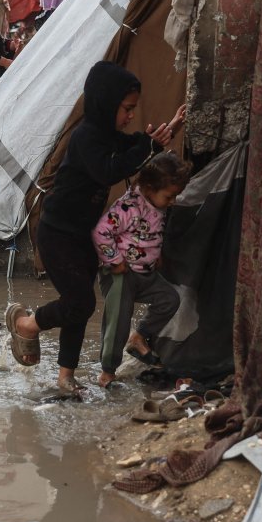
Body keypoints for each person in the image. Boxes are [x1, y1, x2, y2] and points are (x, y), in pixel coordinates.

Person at [5, 61, 185, 392]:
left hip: (83, 235)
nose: (131, 115)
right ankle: (27, 324)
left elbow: (130, 147)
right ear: (105, 102)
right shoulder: (86, 137)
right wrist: (147, 147)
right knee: (81, 302)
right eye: (127, 109)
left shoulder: (107, 135)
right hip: (58, 234)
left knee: (79, 305)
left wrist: (157, 139)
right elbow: (108, 170)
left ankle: (65, 377)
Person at [92, 151, 191, 388]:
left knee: (169, 299)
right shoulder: (128, 207)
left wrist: (155, 256)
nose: (173, 201)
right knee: (118, 322)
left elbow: (149, 234)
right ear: (148, 188)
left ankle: (139, 337)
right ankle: (107, 371)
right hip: (121, 273)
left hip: (145, 273)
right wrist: (115, 260)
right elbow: (101, 233)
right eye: (169, 196)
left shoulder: (158, 205)